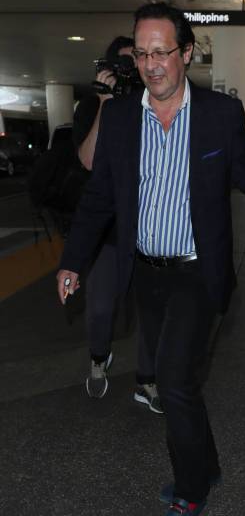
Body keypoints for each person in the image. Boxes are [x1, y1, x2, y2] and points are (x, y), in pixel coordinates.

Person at [56, 2, 245, 516]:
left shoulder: (219, 114)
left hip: (198, 272)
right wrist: (73, 260)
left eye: (161, 52)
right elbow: (100, 198)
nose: (151, 64)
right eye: (141, 53)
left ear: (186, 53)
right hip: (146, 273)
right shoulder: (123, 118)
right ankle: (207, 467)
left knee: (171, 382)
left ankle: (190, 490)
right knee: (180, 384)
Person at [72, 36, 161, 412]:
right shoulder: (93, 106)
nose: (131, 71)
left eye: (135, 62)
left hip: (148, 230)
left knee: (151, 311)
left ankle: (146, 380)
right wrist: (107, 104)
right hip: (108, 232)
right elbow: (90, 162)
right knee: (101, 310)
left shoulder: (152, 105)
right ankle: (98, 355)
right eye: (123, 65)